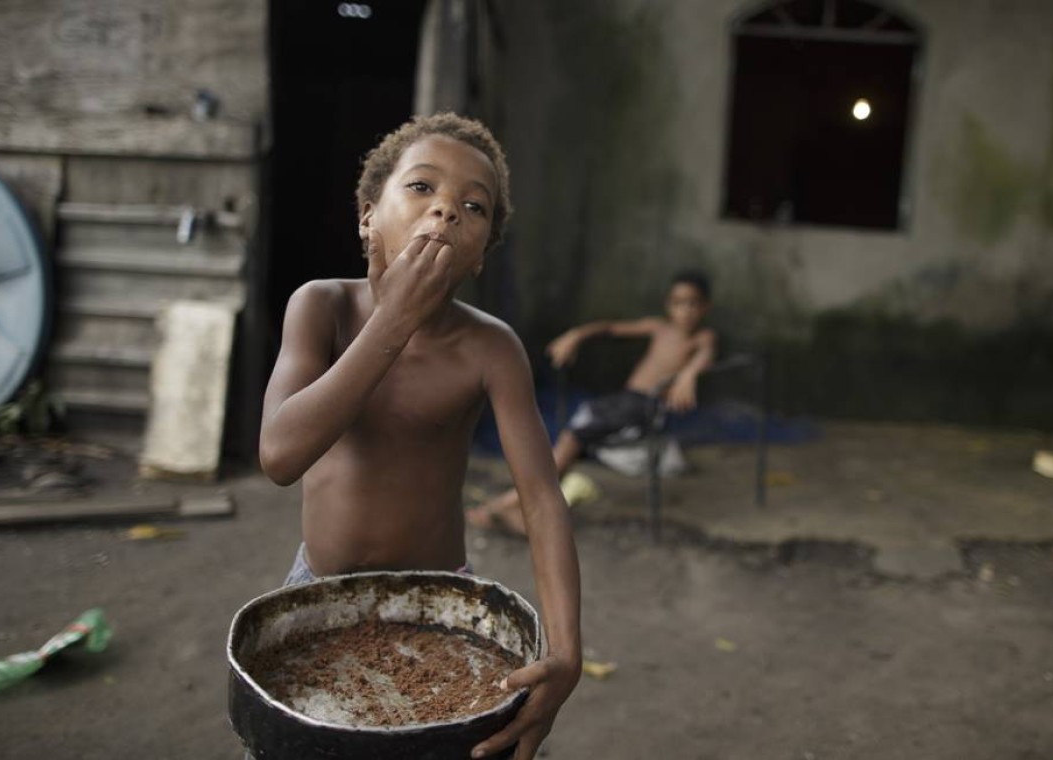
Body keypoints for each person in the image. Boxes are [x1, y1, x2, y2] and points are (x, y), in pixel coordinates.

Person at [258, 113, 580, 760]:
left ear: (483, 252)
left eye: (472, 206)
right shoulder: (320, 307)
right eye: (421, 188)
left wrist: (566, 652)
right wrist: (393, 320)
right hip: (316, 591)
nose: (445, 212)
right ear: (366, 215)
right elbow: (279, 455)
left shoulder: (490, 349)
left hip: (443, 604)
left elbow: (542, 502)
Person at [467, 270, 717, 535]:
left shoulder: (702, 337)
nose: (685, 311)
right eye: (679, 303)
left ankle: (512, 503)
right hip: (624, 403)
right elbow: (610, 327)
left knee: (571, 440)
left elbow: (706, 354)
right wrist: (576, 335)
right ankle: (522, 507)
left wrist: (688, 375)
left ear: (705, 307)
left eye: (693, 304)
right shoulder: (660, 327)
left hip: (645, 406)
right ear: (669, 305)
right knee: (571, 443)